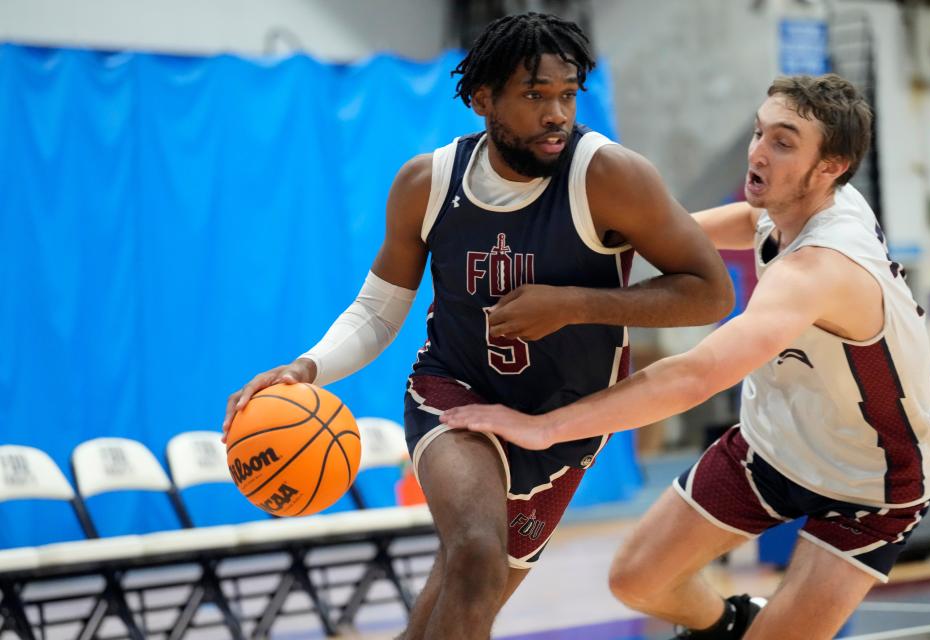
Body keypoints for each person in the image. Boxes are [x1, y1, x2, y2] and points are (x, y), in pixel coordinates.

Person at [221, 11, 733, 640]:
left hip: (566, 420)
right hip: (455, 392)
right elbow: (379, 310)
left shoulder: (608, 175)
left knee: (464, 598)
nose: (557, 115)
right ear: (482, 99)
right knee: (474, 554)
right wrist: (306, 368)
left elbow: (709, 293)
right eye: (535, 96)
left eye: (567, 95)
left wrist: (574, 303)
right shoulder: (427, 183)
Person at [442, 73, 930, 640]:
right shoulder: (803, 201)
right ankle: (729, 624)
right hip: (775, 446)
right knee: (637, 580)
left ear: (830, 166)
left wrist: (545, 428)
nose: (758, 151)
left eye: (783, 141)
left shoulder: (820, 269)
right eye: (759, 132)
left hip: (871, 483)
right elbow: (748, 222)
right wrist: (631, 241)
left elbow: (694, 376)